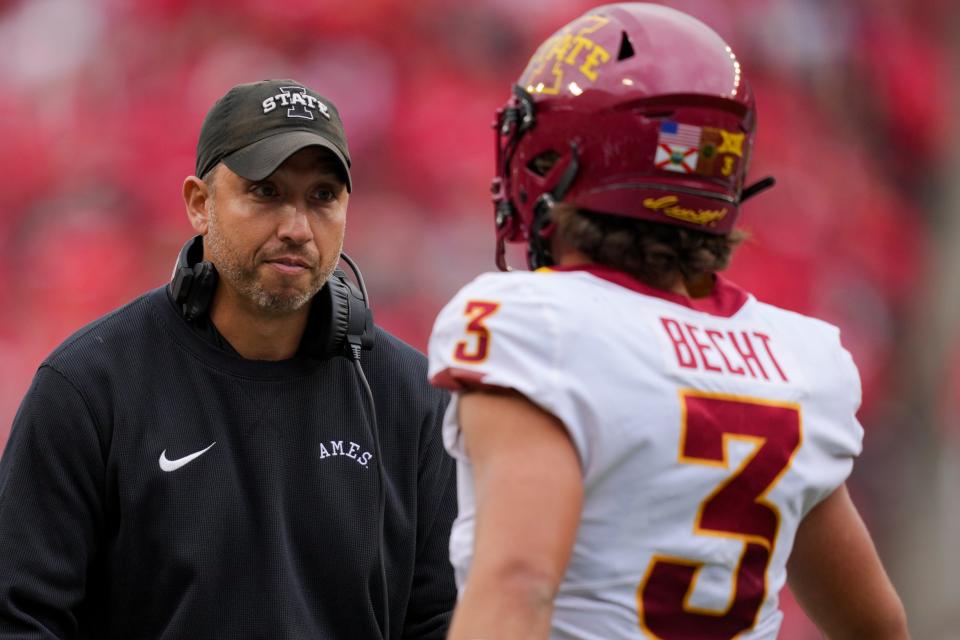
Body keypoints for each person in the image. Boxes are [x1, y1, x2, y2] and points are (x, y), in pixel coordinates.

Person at [427, 5, 909, 639]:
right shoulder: (801, 364)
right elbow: (879, 628)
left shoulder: (536, 327)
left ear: (558, 159)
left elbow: (519, 581)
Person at [0, 79, 457, 639]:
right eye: (266, 192)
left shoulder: (411, 398)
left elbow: (445, 620)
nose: (296, 227)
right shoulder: (89, 386)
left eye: (322, 197)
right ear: (199, 204)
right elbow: (21, 619)